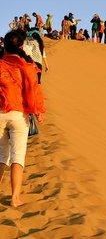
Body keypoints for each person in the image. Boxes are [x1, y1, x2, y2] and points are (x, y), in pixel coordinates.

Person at [0, 30, 45, 207]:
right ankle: (15, 197)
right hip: (19, 114)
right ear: (21, 46)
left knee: (2, 155)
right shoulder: (27, 65)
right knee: (18, 155)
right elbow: (33, 90)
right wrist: (39, 110)